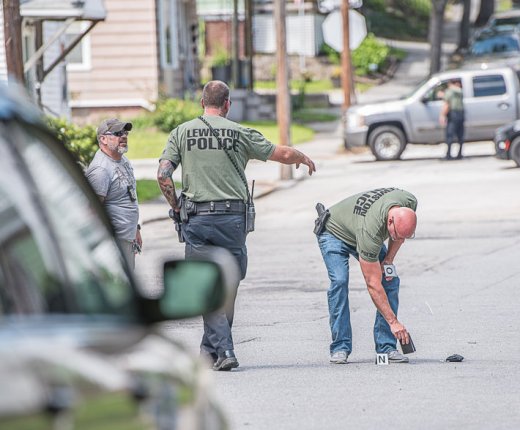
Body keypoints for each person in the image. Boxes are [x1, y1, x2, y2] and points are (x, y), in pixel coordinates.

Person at [157, 80, 316, 371]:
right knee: (228, 283)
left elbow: (163, 175)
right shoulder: (240, 133)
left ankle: (212, 350)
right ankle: (225, 348)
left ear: (202, 103)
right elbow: (281, 153)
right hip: (232, 220)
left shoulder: (181, 132)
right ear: (227, 104)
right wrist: (302, 157)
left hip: (197, 219)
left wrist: (177, 206)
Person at [316, 187, 417, 364]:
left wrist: (388, 260)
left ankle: (386, 347)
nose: (399, 239)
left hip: (358, 228)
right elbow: (372, 283)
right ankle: (340, 346)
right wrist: (394, 322)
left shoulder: (409, 201)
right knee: (340, 281)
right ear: (390, 220)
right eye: (395, 234)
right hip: (333, 232)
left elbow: (398, 236)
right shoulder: (371, 230)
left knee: (390, 280)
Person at [85, 118, 142, 270]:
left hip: (127, 239)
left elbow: (128, 198)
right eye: (117, 133)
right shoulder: (100, 170)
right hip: (114, 245)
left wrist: (136, 229)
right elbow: (92, 212)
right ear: (103, 139)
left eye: (125, 132)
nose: (124, 136)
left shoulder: (123, 160)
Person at [439, 79, 465, 160]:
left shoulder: (450, 91)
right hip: (461, 114)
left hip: (453, 114)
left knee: (450, 135)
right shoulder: (460, 92)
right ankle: (460, 154)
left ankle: (448, 155)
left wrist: (442, 115)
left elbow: (447, 104)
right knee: (460, 135)